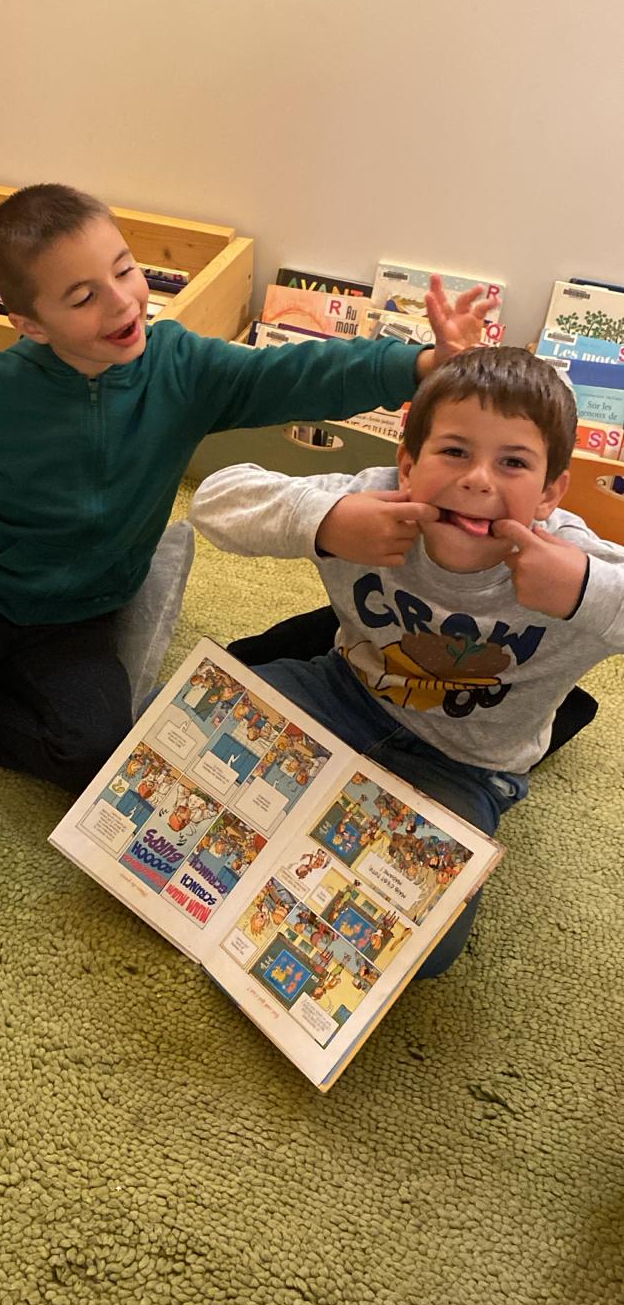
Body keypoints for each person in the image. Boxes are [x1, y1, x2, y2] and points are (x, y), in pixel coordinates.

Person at [0, 185, 489, 810]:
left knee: (97, 755)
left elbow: (294, 376)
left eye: (126, 272)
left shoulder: (182, 367)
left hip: (86, 611)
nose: (122, 303)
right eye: (83, 297)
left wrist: (417, 365)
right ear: (30, 324)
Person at [190, 345, 624, 976]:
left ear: (551, 492)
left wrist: (587, 590)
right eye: (455, 451)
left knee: (422, 946)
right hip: (339, 691)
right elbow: (213, 499)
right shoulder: (374, 499)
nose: (479, 480)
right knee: (167, 734)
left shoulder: (575, 561)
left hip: (466, 765)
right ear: (408, 464)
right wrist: (326, 520)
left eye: (513, 462)